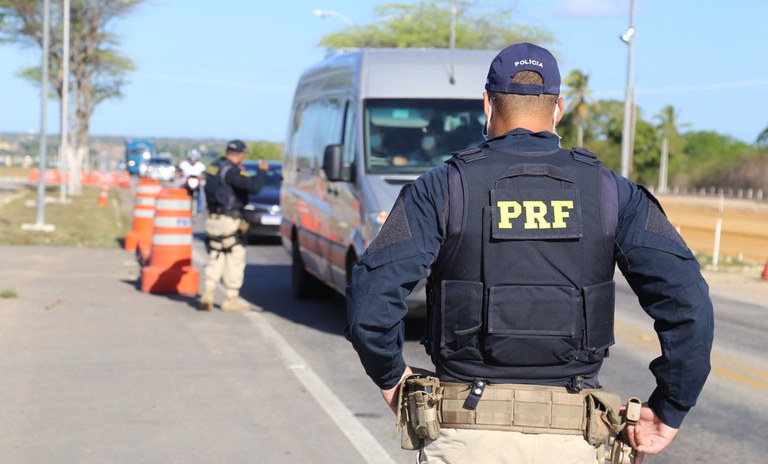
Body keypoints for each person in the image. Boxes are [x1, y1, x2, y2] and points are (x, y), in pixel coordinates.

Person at [345, 43, 714, 464]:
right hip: (576, 443)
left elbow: (370, 305)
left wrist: (392, 377)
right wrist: (670, 407)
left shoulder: (440, 188)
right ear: (559, 108)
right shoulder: (613, 192)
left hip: (465, 437)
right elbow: (689, 305)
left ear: (487, 103)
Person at [201, 139, 268, 312]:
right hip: (229, 220)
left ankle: (208, 291)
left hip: (213, 220)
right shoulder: (232, 171)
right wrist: (262, 172)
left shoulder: (214, 167)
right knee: (234, 258)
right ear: (241, 154)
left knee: (216, 255)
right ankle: (231, 298)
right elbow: (253, 187)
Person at [178, 149, 207, 213]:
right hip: (186, 182)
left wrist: (202, 178)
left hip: (197, 183)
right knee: (179, 191)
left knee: (202, 193)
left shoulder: (200, 165)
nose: (193, 160)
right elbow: (179, 172)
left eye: (194, 159)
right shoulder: (184, 164)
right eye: (192, 158)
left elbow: (204, 173)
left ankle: (199, 209)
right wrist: (181, 176)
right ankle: (179, 206)